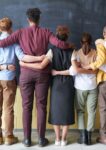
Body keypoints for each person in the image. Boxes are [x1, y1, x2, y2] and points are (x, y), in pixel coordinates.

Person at [0, 8, 72, 147]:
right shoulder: (46, 32)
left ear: (28, 19)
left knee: (26, 107)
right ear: (39, 19)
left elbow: (2, 43)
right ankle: (40, 139)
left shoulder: (20, 33)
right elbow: (59, 44)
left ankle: (27, 140)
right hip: (42, 75)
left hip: (26, 74)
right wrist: (69, 45)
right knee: (41, 106)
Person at [51, 32, 106, 146]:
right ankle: (89, 137)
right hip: (93, 86)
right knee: (92, 112)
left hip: (79, 87)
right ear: (91, 42)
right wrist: (90, 70)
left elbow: (76, 70)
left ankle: (82, 136)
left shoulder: (76, 53)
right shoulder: (95, 53)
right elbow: (96, 70)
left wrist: (82, 68)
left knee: (80, 111)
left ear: (81, 42)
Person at [20, 25, 75, 146]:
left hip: (55, 84)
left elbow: (41, 66)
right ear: (67, 36)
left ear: (57, 36)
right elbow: (74, 70)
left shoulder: (51, 51)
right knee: (59, 110)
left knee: (53, 111)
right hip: (68, 84)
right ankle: (59, 139)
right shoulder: (73, 50)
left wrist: (24, 64)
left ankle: (53, 139)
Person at [0, 17, 44, 145]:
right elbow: (23, 57)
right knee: (8, 108)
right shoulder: (13, 42)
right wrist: (39, 58)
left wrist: (2, 66)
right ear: (10, 28)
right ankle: (8, 136)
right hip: (9, 78)